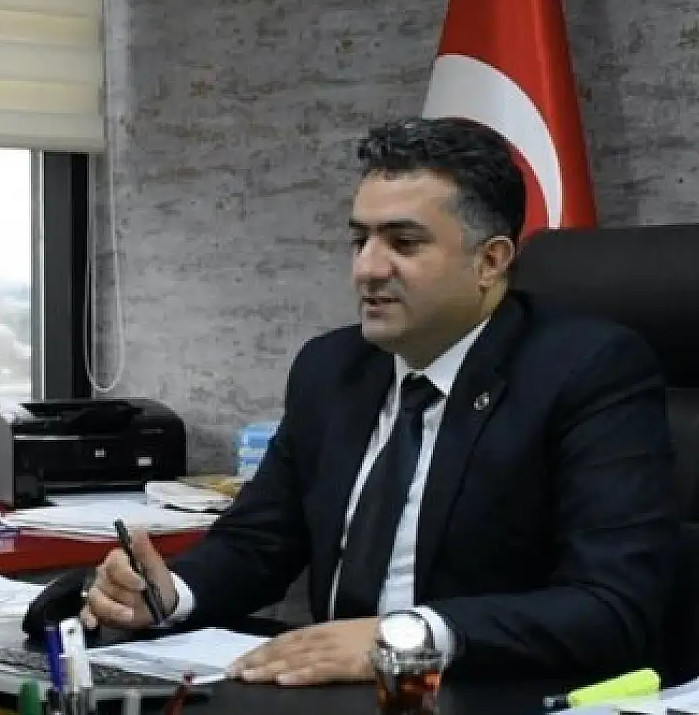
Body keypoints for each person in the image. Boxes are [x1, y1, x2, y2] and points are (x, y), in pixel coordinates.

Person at [80, 117, 679, 685]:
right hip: (334, 695)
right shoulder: (332, 368)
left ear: (490, 261)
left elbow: (611, 605)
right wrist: (169, 596)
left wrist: (404, 638)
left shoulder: (586, 370)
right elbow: (258, 542)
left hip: (485, 691)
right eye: (359, 239)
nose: (367, 269)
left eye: (404, 243)